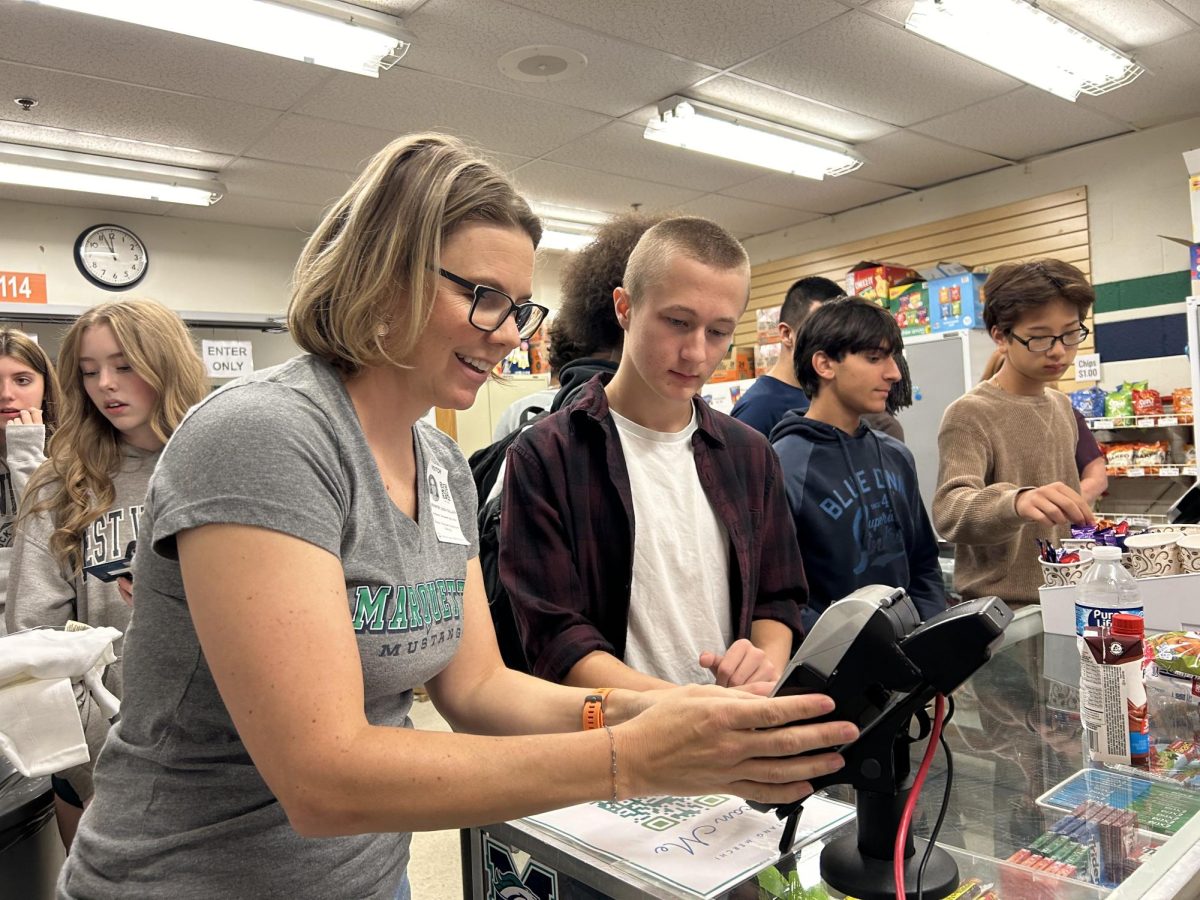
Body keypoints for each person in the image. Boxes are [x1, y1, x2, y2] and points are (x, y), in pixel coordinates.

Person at [55, 135, 855, 900]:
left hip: (367, 878)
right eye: (481, 298)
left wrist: (660, 708)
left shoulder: (438, 466)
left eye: (517, 308)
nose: (507, 334)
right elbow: (324, 778)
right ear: (382, 274)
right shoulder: (265, 438)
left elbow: (477, 688)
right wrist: (633, 757)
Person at [501, 216, 808, 692]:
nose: (696, 354)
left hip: (737, 734)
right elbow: (555, 635)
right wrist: (685, 710)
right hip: (611, 743)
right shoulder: (547, 454)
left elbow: (778, 595)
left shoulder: (752, 455)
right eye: (677, 322)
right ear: (624, 308)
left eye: (719, 332)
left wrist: (763, 666)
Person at [5, 299, 208, 846]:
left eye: (124, 365)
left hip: (223, 755)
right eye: (89, 372)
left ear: (166, 363)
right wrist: (95, 767)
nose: (105, 386)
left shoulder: (219, 460)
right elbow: (35, 643)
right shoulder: (60, 482)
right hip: (100, 757)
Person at [772, 298, 946, 630]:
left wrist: (933, 642)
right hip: (833, 669)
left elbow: (923, 562)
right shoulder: (783, 465)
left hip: (911, 661)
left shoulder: (897, 456)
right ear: (824, 364)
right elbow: (784, 597)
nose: (894, 373)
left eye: (892, 357)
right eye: (873, 358)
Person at [934, 259, 1097, 604]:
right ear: (1000, 337)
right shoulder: (970, 412)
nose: (1058, 350)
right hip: (1001, 611)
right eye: (1039, 338)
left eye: (1071, 334)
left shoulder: (1060, 405)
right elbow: (950, 511)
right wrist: (1016, 501)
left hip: (1064, 595)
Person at [732, 276, 907, 440]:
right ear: (786, 334)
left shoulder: (835, 394)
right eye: (818, 326)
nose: (833, 339)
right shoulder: (757, 408)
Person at [980, 348, 1108, 505]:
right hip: (1006, 524)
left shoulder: (1066, 412)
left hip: (1062, 524)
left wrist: (1066, 506)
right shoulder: (980, 419)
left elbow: (1096, 476)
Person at [0, 328, 60, 632]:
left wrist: (26, 454)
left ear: (45, 388)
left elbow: (54, 548)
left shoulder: (72, 456)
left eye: (22, 380)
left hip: (46, 636)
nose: (6, 394)